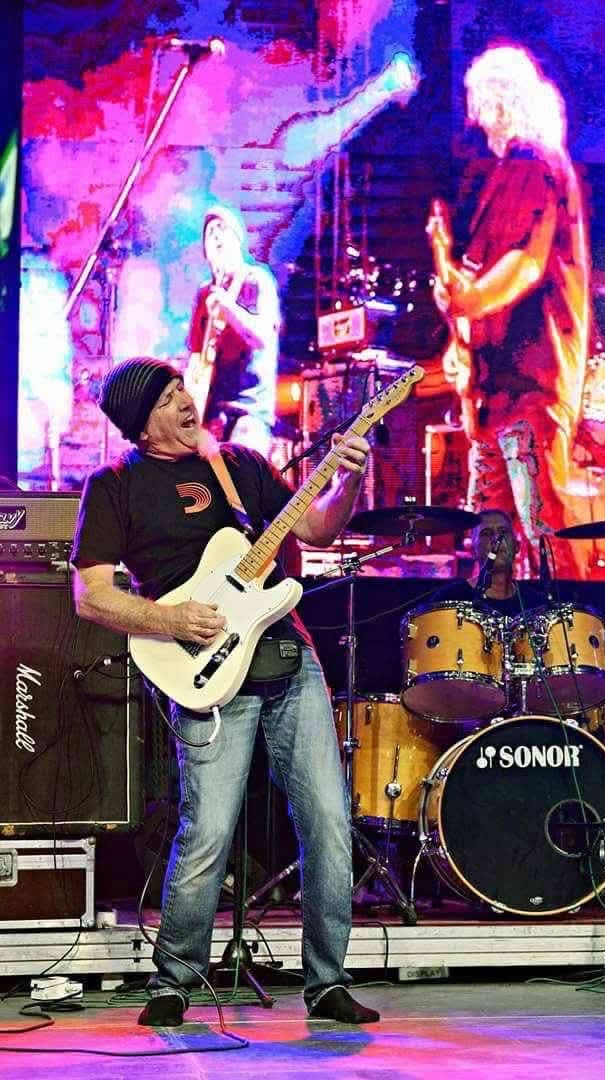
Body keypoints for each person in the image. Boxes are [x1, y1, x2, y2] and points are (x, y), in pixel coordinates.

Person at [70, 357, 379, 1027]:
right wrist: (171, 620)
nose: (187, 400)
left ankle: (327, 982)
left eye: (183, 388)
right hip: (205, 673)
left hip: (286, 658)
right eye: (168, 397)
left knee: (329, 822)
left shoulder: (237, 465)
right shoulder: (115, 485)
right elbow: (91, 596)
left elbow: (317, 528)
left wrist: (348, 477)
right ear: (141, 425)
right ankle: (175, 979)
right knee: (207, 830)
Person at [427, 45, 591, 578]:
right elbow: (476, 278)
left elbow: (525, 263)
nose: (473, 118)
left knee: (542, 527)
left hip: (529, 381)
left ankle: (571, 623)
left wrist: (468, 298)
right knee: (495, 533)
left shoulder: (532, 162)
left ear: (500, 101)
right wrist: (457, 328)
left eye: (478, 102)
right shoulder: (503, 177)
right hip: (499, 388)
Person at [185, 207, 279, 456]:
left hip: (249, 411)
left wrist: (228, 307)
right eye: (209, 232)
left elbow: (262, 336)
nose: (216, 235)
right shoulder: (204, 293)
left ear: (237, 241)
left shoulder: (256, 279)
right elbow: (196, 355)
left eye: (222, 228)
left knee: (239, 475)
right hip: (212, 416)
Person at [432, 508, 548, 617]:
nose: (496, 539)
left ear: (516, 546)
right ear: (473, 550)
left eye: (503, 532)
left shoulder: (537, 603)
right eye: (486, 533)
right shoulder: (448, 599)